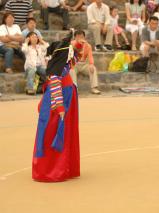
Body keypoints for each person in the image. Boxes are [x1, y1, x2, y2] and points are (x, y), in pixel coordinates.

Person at [32, 30, 80, 182]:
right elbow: (54, 87)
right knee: (52, 133)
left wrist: (76, 42)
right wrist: (60, 109)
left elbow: (75, 57)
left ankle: (65, 167)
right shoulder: (56, 71)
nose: (72, 55)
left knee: (65, 133)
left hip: (67, 99)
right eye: (69, 53)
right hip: (57, 104)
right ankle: (50, 170)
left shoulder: (63, 66)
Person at [70, 30, 101, 94]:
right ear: (75, 38)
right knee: (71, 70)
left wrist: (91, 64)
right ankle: (74, 89)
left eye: (81, 37)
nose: (80, 38)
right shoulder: (71, 44)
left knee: (93, 69)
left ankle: (94, 88)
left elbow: (90, 56)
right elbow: (72, 52)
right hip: (74, 63)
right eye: (78, 37)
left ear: (84, 37)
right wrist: (78, 44)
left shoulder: (88, 45)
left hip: (84, 64)